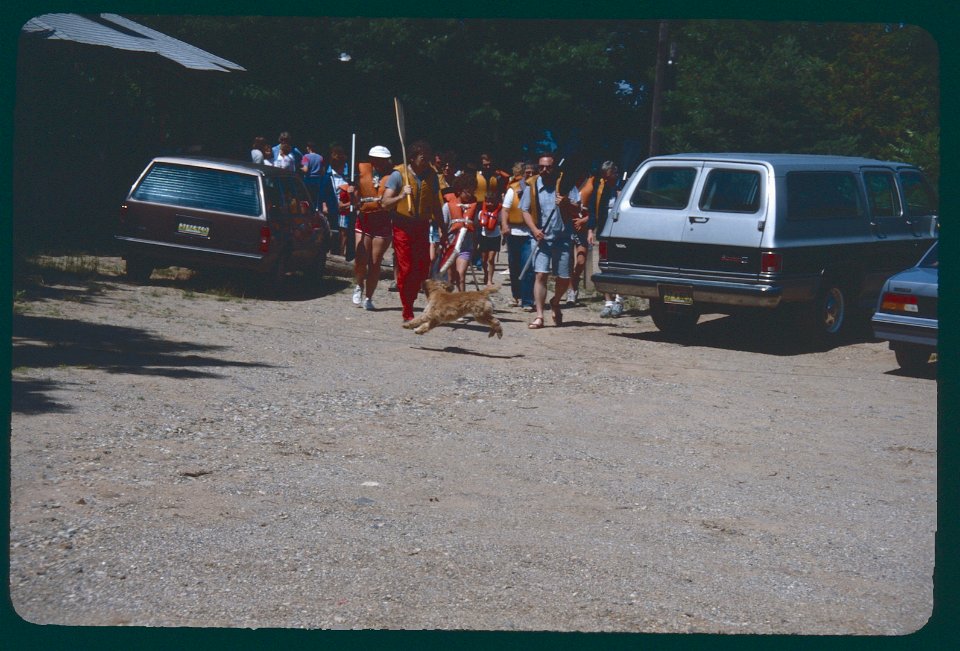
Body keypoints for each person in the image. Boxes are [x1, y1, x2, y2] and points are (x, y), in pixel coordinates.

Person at [521, 153, 578, 329]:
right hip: (541, 238)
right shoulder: (531, 185)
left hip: (562, 237)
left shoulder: (565, 183)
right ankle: (539, 316)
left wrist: (566, 202)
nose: (544, 170)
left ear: (554, 168)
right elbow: (525, 210)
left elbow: (579, 206)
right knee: (540, 274)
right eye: (541, 167)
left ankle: (555, 301)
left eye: (548, 167)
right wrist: (534, 230)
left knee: (563, 277)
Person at [392, 139, 442, 322]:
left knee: (422, 269)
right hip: (402, 226)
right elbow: (385, 202)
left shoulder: (432, 176)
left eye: (428, 157)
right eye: (423, 157)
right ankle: (407, 309)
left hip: (421, 226)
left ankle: (411, 297)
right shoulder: (399, 175)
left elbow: (436, 204)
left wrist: (443, 228)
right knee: (405, 268)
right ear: (412, 158)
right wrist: (401, 195)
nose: (427, 160)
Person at [353, 145, 406, 311]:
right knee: (361, 258)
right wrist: (353, 192)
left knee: (375, 262)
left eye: (382, 160)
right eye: (376, 159)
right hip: (364, 219)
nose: (379, 163)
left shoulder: (395, 176)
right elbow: (355, 196)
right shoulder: (361, 171)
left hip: (383, 222)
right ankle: (359, 285)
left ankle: (369, 297)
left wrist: (402, 195)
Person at [583, 161, 625, 317]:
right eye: (604, 177)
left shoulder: (624, 186)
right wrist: (590, 230)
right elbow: (593, 210)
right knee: (604, 266)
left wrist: (622, 197)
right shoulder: (601, 188)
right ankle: (608, 301)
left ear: (615, 173)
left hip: (621, 232)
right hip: (604, 231)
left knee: (619, 266)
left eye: (609, 177)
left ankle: (619, 299)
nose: (606, 180)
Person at [500, 161, 536, 310]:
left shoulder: (538, 190)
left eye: (532, 172)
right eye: (527, 172)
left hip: (530, 233)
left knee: (528, 267)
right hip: (514, 232)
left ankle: (528, 300)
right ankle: (516, 296)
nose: (530, 175)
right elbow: (505, 209)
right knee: (514, 267)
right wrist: (504, 225)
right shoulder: (512, 190)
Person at [441, 173, 479, 293]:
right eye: (468, 192)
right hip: (451, 247)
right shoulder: (447, 207)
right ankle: (449, 302)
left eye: (472, 192)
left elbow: (476, 227)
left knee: (461, 275)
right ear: (459, 190)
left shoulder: (474, 208)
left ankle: (463, 302)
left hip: (466, 247)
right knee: (451, 277)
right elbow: (443, 226)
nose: (470, 195)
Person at [320, 144, 355, 259]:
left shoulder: (348, 178)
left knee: (344, 231)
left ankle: (341, 252)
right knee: (333, 231)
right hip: (333, 208)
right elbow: (323, 194)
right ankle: (332, 251)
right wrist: (324, 206)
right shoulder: (328, 177)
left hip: (345, 208)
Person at [477, 190, 502, 287]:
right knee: (484, 260)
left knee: (491, 259)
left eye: (491, 201)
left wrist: (504, 237)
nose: (489, 204)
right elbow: (478, 224)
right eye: (487, 201)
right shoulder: (481, 212)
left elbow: (501, 223)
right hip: (484, 236)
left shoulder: (499, 213)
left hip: (495, 236)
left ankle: (490, 280)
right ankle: (485, 274)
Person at [300, 141, 325, 210]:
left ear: (309, 148)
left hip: (309, 179)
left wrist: (299, 168)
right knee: (317, 199)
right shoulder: (320, 157)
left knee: (309, 199)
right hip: (318, 180)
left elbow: (305, 169)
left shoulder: (306, 157)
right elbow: (323, 171)